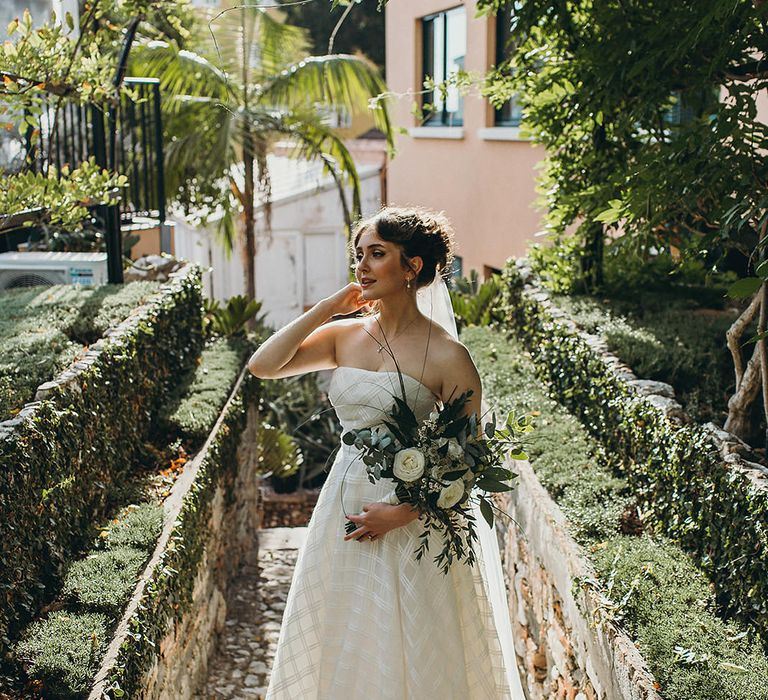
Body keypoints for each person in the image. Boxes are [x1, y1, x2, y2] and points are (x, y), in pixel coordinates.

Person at [248, 205, 526, 699]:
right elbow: (264, 365)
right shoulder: (345, 338)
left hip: (411, 519)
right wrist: (327, 308)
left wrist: (403, 512)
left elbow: (470, 457)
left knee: (411, 644)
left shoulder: (447, 354)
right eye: (359, 255)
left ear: (412, 266)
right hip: (344, 501)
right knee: (345, 634)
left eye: (377, 254)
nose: (363, 266)